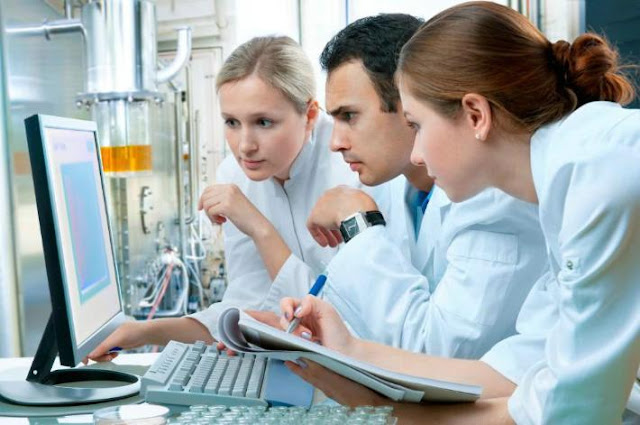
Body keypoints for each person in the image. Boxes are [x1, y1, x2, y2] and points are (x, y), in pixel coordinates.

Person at [279, 3, 640, 424]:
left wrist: (388, 413)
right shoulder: (567, 181)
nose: (416, 153)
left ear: (475, 115)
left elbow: (575, 410)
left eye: (416, 125)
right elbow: (518, 370)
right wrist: (351, 350)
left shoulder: (592, 174)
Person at [86, 36, 358, 361]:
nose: (245, 146)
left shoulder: (351, 167)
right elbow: (244, 306)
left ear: (310, 115)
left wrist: (259, 228)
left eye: (263, 122)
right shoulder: (234, 174)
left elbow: (340, 323)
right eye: (232, 122)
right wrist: (144, 332)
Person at [307, 13, 548, 358]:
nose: (336, 142)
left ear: (410, 100)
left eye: (349, 116)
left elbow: (437, 352)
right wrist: (308, 330)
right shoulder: (389, 186)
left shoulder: (494, 196)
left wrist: (360, 227)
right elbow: (373, 320)